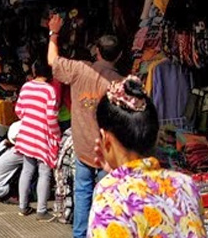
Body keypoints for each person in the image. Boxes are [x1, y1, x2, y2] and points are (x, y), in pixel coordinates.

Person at [88, 76, 206, 237]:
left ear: (105, 139)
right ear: (156, 136)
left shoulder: (110, 196)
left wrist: (116, 180)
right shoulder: (186, 184)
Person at [47, 14, 124, 238]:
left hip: (82, 147)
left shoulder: (79, 69)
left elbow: (53, 60)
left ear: (97, 51)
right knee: (105, 197)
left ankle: (80, 234)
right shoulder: (119, 83)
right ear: (118, 56)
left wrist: (54, 33)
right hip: (107, 153)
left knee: (82, 193)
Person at [14, 59, 60, 220]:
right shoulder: (50, 91)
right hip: (42, 136)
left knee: (27, 170)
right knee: (44, 172)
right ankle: (41, 210)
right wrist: (57, 135)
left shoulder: (26, 87)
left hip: (26, 134)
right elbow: (51, 118)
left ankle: (23, 206)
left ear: (34, 72)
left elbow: (18, 110)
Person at [0, 121, 24, 203]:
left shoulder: (2, 144)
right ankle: (19, 194)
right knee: (30, 167)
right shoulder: (16, 152)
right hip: (1, 189)